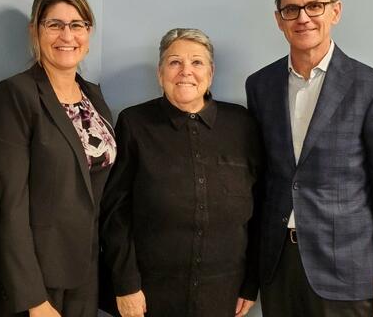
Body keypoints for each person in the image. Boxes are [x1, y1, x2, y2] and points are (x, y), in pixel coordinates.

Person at [245, 0, 373, 317]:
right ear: (279, 20)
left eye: (314, 6)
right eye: (291, 9)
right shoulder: (260, 85)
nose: (303, 17)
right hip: (278, 266)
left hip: (346, 270)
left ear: (335, 11)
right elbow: (263, 179)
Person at [100, 28, 261, 317]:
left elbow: (259, 205)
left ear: (210, 73)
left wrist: (250, 283)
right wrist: (125, 285)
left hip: (223, 292)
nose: (186, 71)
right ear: (160, 73)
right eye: (174, 62)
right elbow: (116, 213)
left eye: (197, 62)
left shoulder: (242, 124)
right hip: (150, 294)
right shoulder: (134, 123)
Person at [0, 0, 117, 317]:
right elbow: (9, 205)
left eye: (77, 25)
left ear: (89, 31)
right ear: (35, 31)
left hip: (85, 270)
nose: (66, 36)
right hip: (38, 278)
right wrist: (33, 299)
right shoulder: (15, 95)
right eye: (54, 24)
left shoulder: (93, 96)